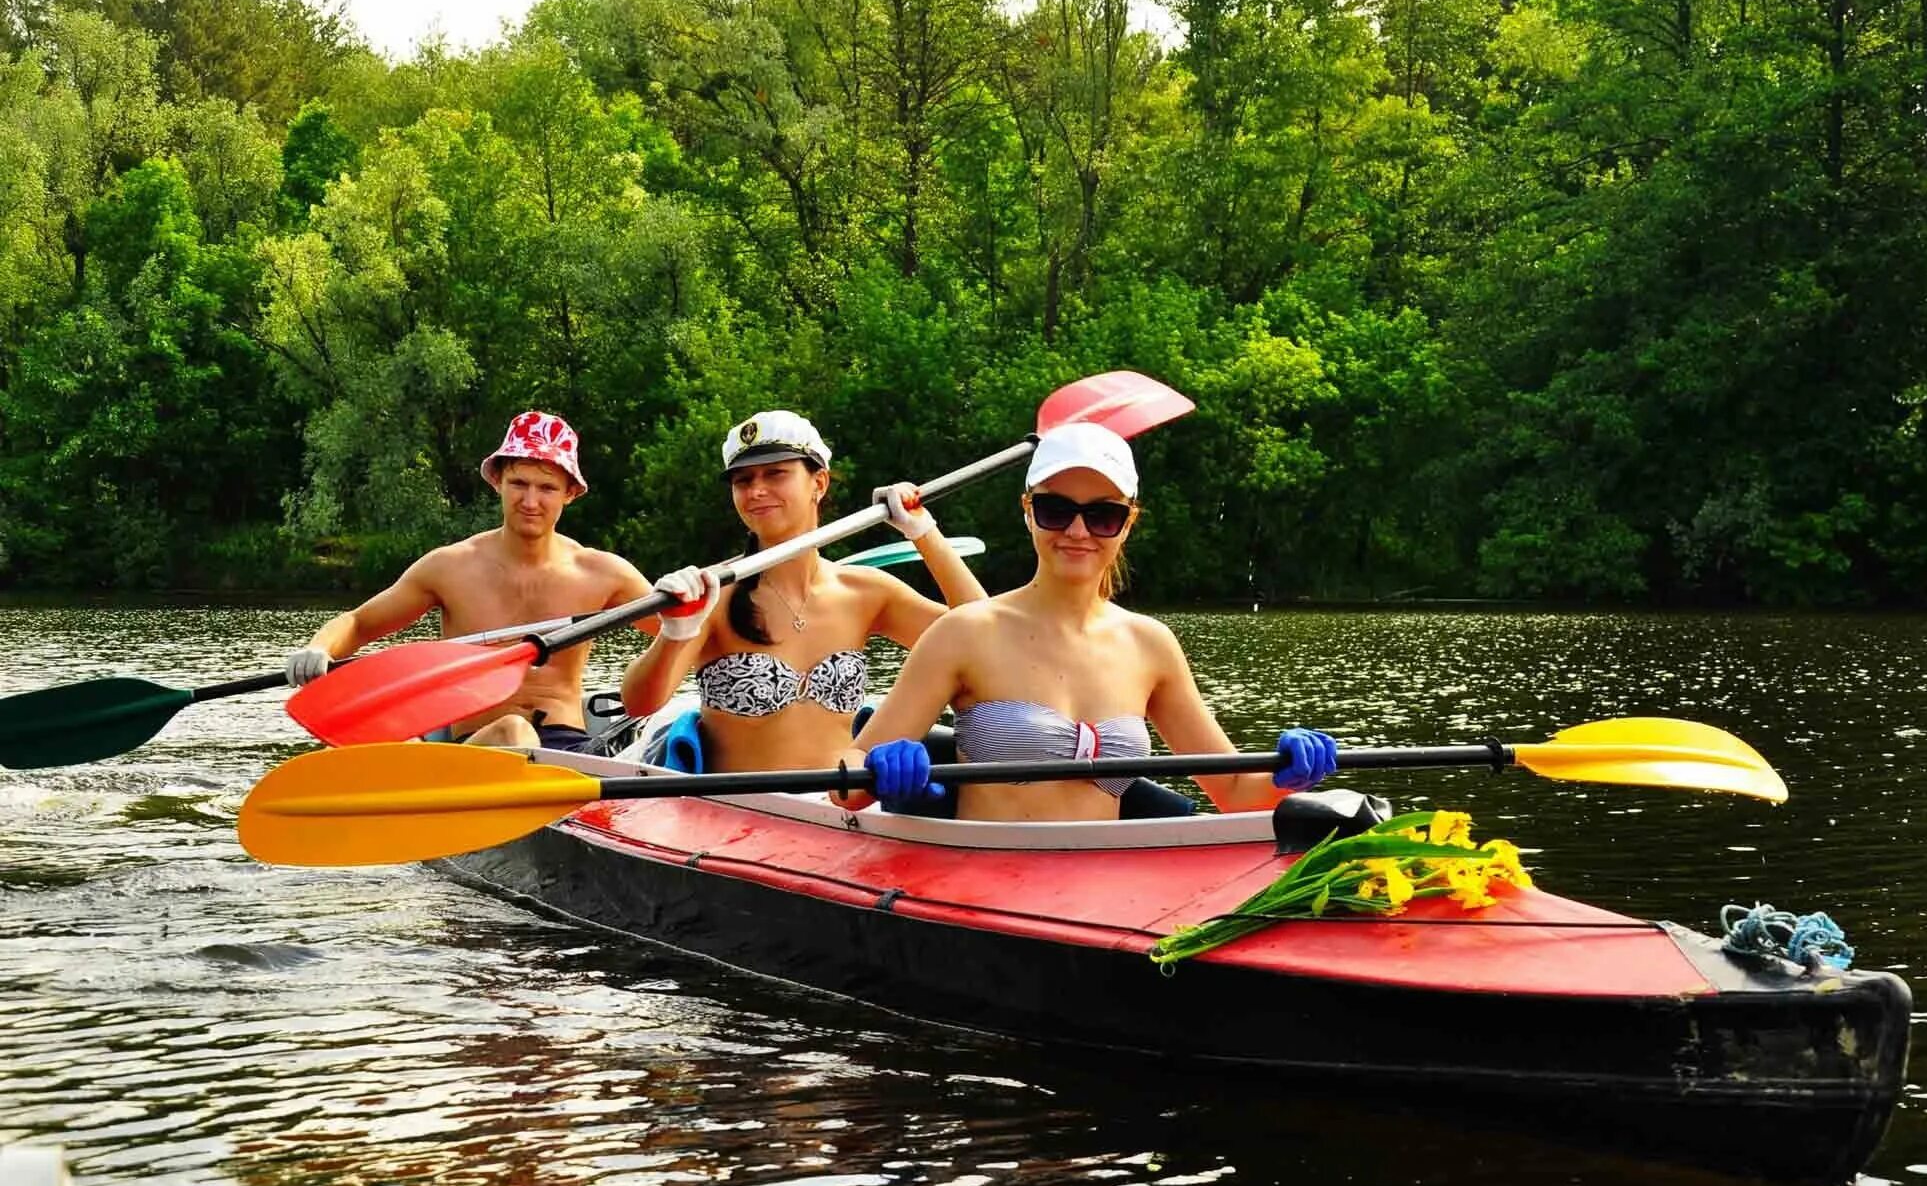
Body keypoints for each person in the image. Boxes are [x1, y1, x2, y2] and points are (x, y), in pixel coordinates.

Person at [838, 422, 1339, 820]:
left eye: (1102, 516)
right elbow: (849, 782)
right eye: (1057, 510)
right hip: (982, 886)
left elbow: (1233, 791)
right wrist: (874, 770)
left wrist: (1289, 775)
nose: (1078, 531)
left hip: (1101, 891)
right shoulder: (964, 632)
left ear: (1128, 523)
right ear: (1028, 511)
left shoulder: (1151, 644)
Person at [618, 410, 987, 772]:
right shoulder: (714, 594)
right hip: (736, 814)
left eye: (775, 473)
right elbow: (639, 704)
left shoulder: (866, 592)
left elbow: (984, 637)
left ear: (819, 483)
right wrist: (675, 632)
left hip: (838, 812)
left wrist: (924, 533)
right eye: (742, 481)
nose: (757, 490)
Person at [283, 410, 661, 752]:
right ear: (497, 481)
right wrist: (319, 648)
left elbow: (687, 636)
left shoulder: (604, 573)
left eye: (546, 488)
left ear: (570, 494)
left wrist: (692, 607)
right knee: (515, 732)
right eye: (519, 483)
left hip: (570, 750)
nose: (530, 501)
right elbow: (358, 622)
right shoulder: (450, 566)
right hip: (480, 746)